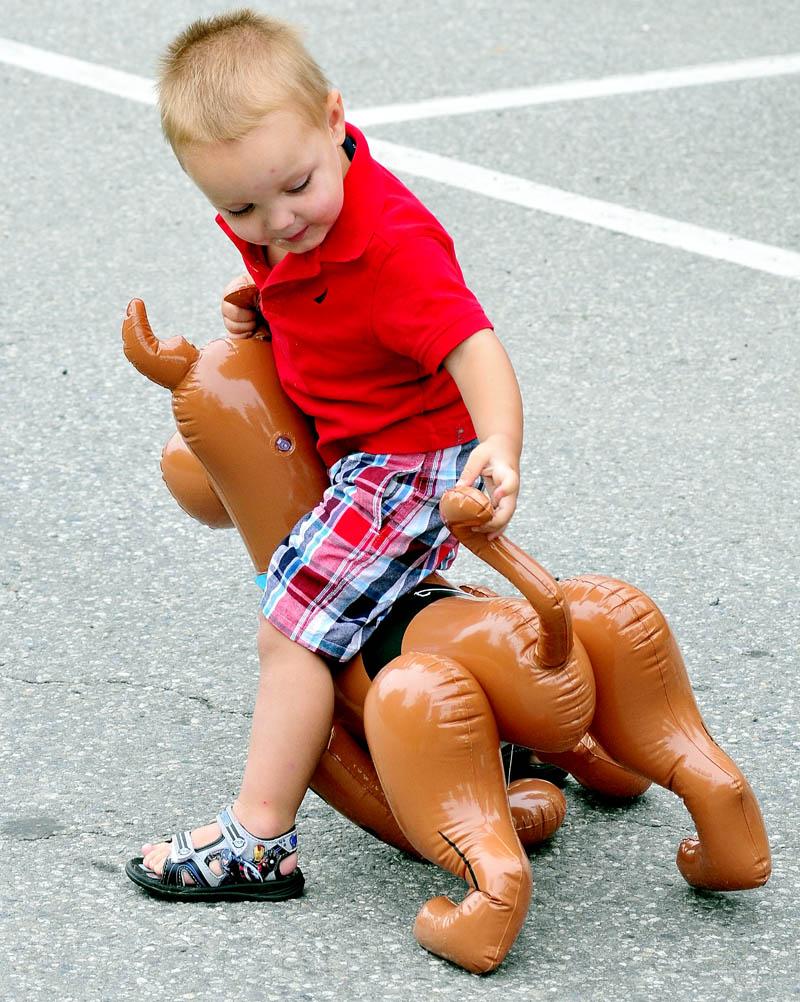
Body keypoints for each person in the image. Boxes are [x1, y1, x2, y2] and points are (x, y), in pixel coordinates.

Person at [125, 8, 523, 901]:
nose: (277, 221)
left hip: (407, 459)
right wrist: (266, 304)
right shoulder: (281, 204)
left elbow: (475, 348)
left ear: (337, 119)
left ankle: (260, 839)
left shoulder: (392, 246)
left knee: (289, 626)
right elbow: (294, 268)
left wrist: (498, 442)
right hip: (358, 439)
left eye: (294, 188)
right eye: (240, 209)